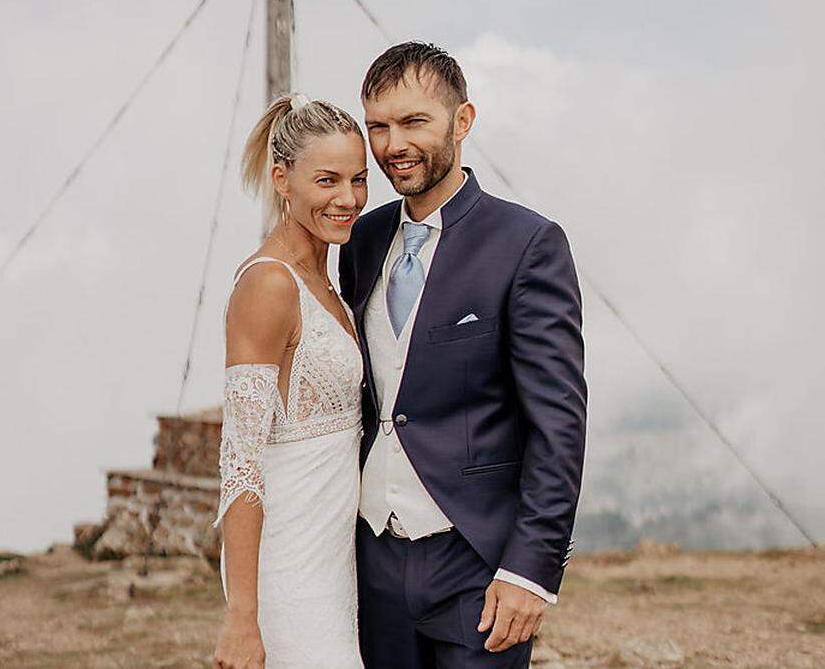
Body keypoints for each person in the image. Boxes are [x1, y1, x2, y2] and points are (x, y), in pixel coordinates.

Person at [338, 41, 588, 668]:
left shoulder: (527, 243)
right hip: (371, 563)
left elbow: (558, 424)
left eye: (414, 122)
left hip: (475, 565)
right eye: (379, 126)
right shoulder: (362, 240)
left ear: (463, 121)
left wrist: (531, 571)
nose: (394, 144)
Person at [211, 93, 369, 669]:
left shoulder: (329, 281)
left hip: (336, 570)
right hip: (287, 582)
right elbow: (242, 462)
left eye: (358, 179)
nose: (347, 198)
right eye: (327, 180)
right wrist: (242, 616)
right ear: (283, 179)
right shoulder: (268, 285)